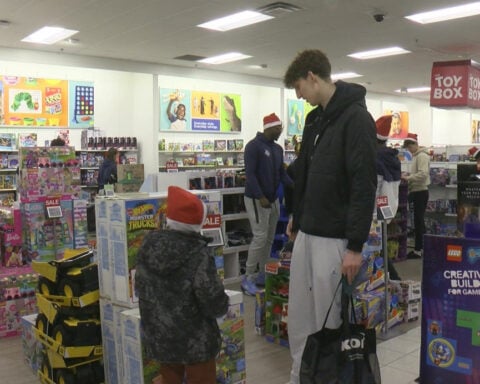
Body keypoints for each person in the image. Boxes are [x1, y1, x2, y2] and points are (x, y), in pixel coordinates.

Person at [283, 49, 377, 384]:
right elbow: (305, 173)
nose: (298, 95)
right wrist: (296, 213)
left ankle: (329, 377)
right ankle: (302, 374)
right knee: (300, 313)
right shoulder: (314, 120)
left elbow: (363, 185)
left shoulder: (356, 119)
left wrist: (355, 246)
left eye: (299, 87)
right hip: (307, 233)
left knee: (328, 317)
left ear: (312, 76)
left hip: (335, 239)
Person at [135, 186, 229, 384]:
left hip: (161, 337)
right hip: (196, 343)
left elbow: (141, 289)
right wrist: (223, 303)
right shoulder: (198, 253)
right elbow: (213, 301)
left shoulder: (147, 246)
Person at [241, 113, 293, 296]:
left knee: (269, 239)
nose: (281, 131)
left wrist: (296, 185)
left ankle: (263, 273)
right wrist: (260, 195)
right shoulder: (253, 147)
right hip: (257, 199)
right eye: (279, 128)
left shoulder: (278, 149)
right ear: (269, 127)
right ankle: (247, 277)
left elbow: (281, 174)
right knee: (260, 237)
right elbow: (250, 175)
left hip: (273, 200)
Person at [375, 115, 402, 280]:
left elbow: (376, 190)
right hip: (388, 210)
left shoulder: (375, 159)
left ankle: (396, 283)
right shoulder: (392, 159)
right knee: (381, 250)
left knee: (378, 252)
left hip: (374, 213)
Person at [402, 133, 430, 259]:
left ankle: (420, 249)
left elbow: (423, 174)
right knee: (418, 221)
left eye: (409, 147)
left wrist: (408, 178)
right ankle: (421, 248)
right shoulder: (417, 156)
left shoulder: (422, 156)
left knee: (419, 222)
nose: (408, 150)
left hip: (420, 191)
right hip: (417, 191)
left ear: (414, 144)